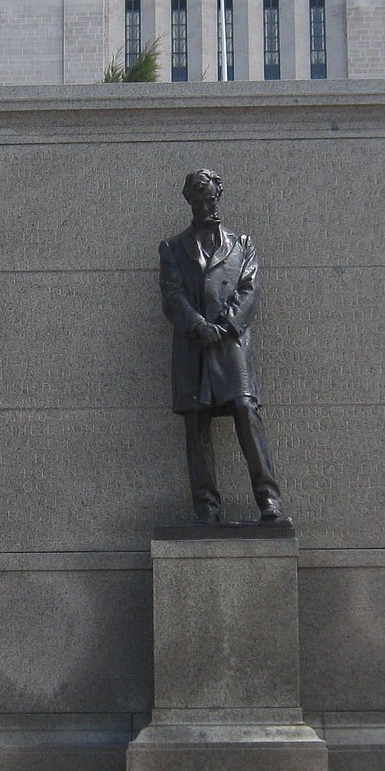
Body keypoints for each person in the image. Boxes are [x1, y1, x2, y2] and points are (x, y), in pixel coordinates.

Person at [157, 168, 286, 524]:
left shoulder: (242, 244)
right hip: (193, 347)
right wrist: (198, 326)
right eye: (198, 202)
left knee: (246, 412)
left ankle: (269, 501)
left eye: (210, 199)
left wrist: (225, 324)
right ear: (189, 202)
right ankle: (206, 508)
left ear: (219, 196)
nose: (205, 206)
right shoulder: (172, 247)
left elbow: (250, 288)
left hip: (231, 347)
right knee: (197, 426)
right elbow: (172, 294)